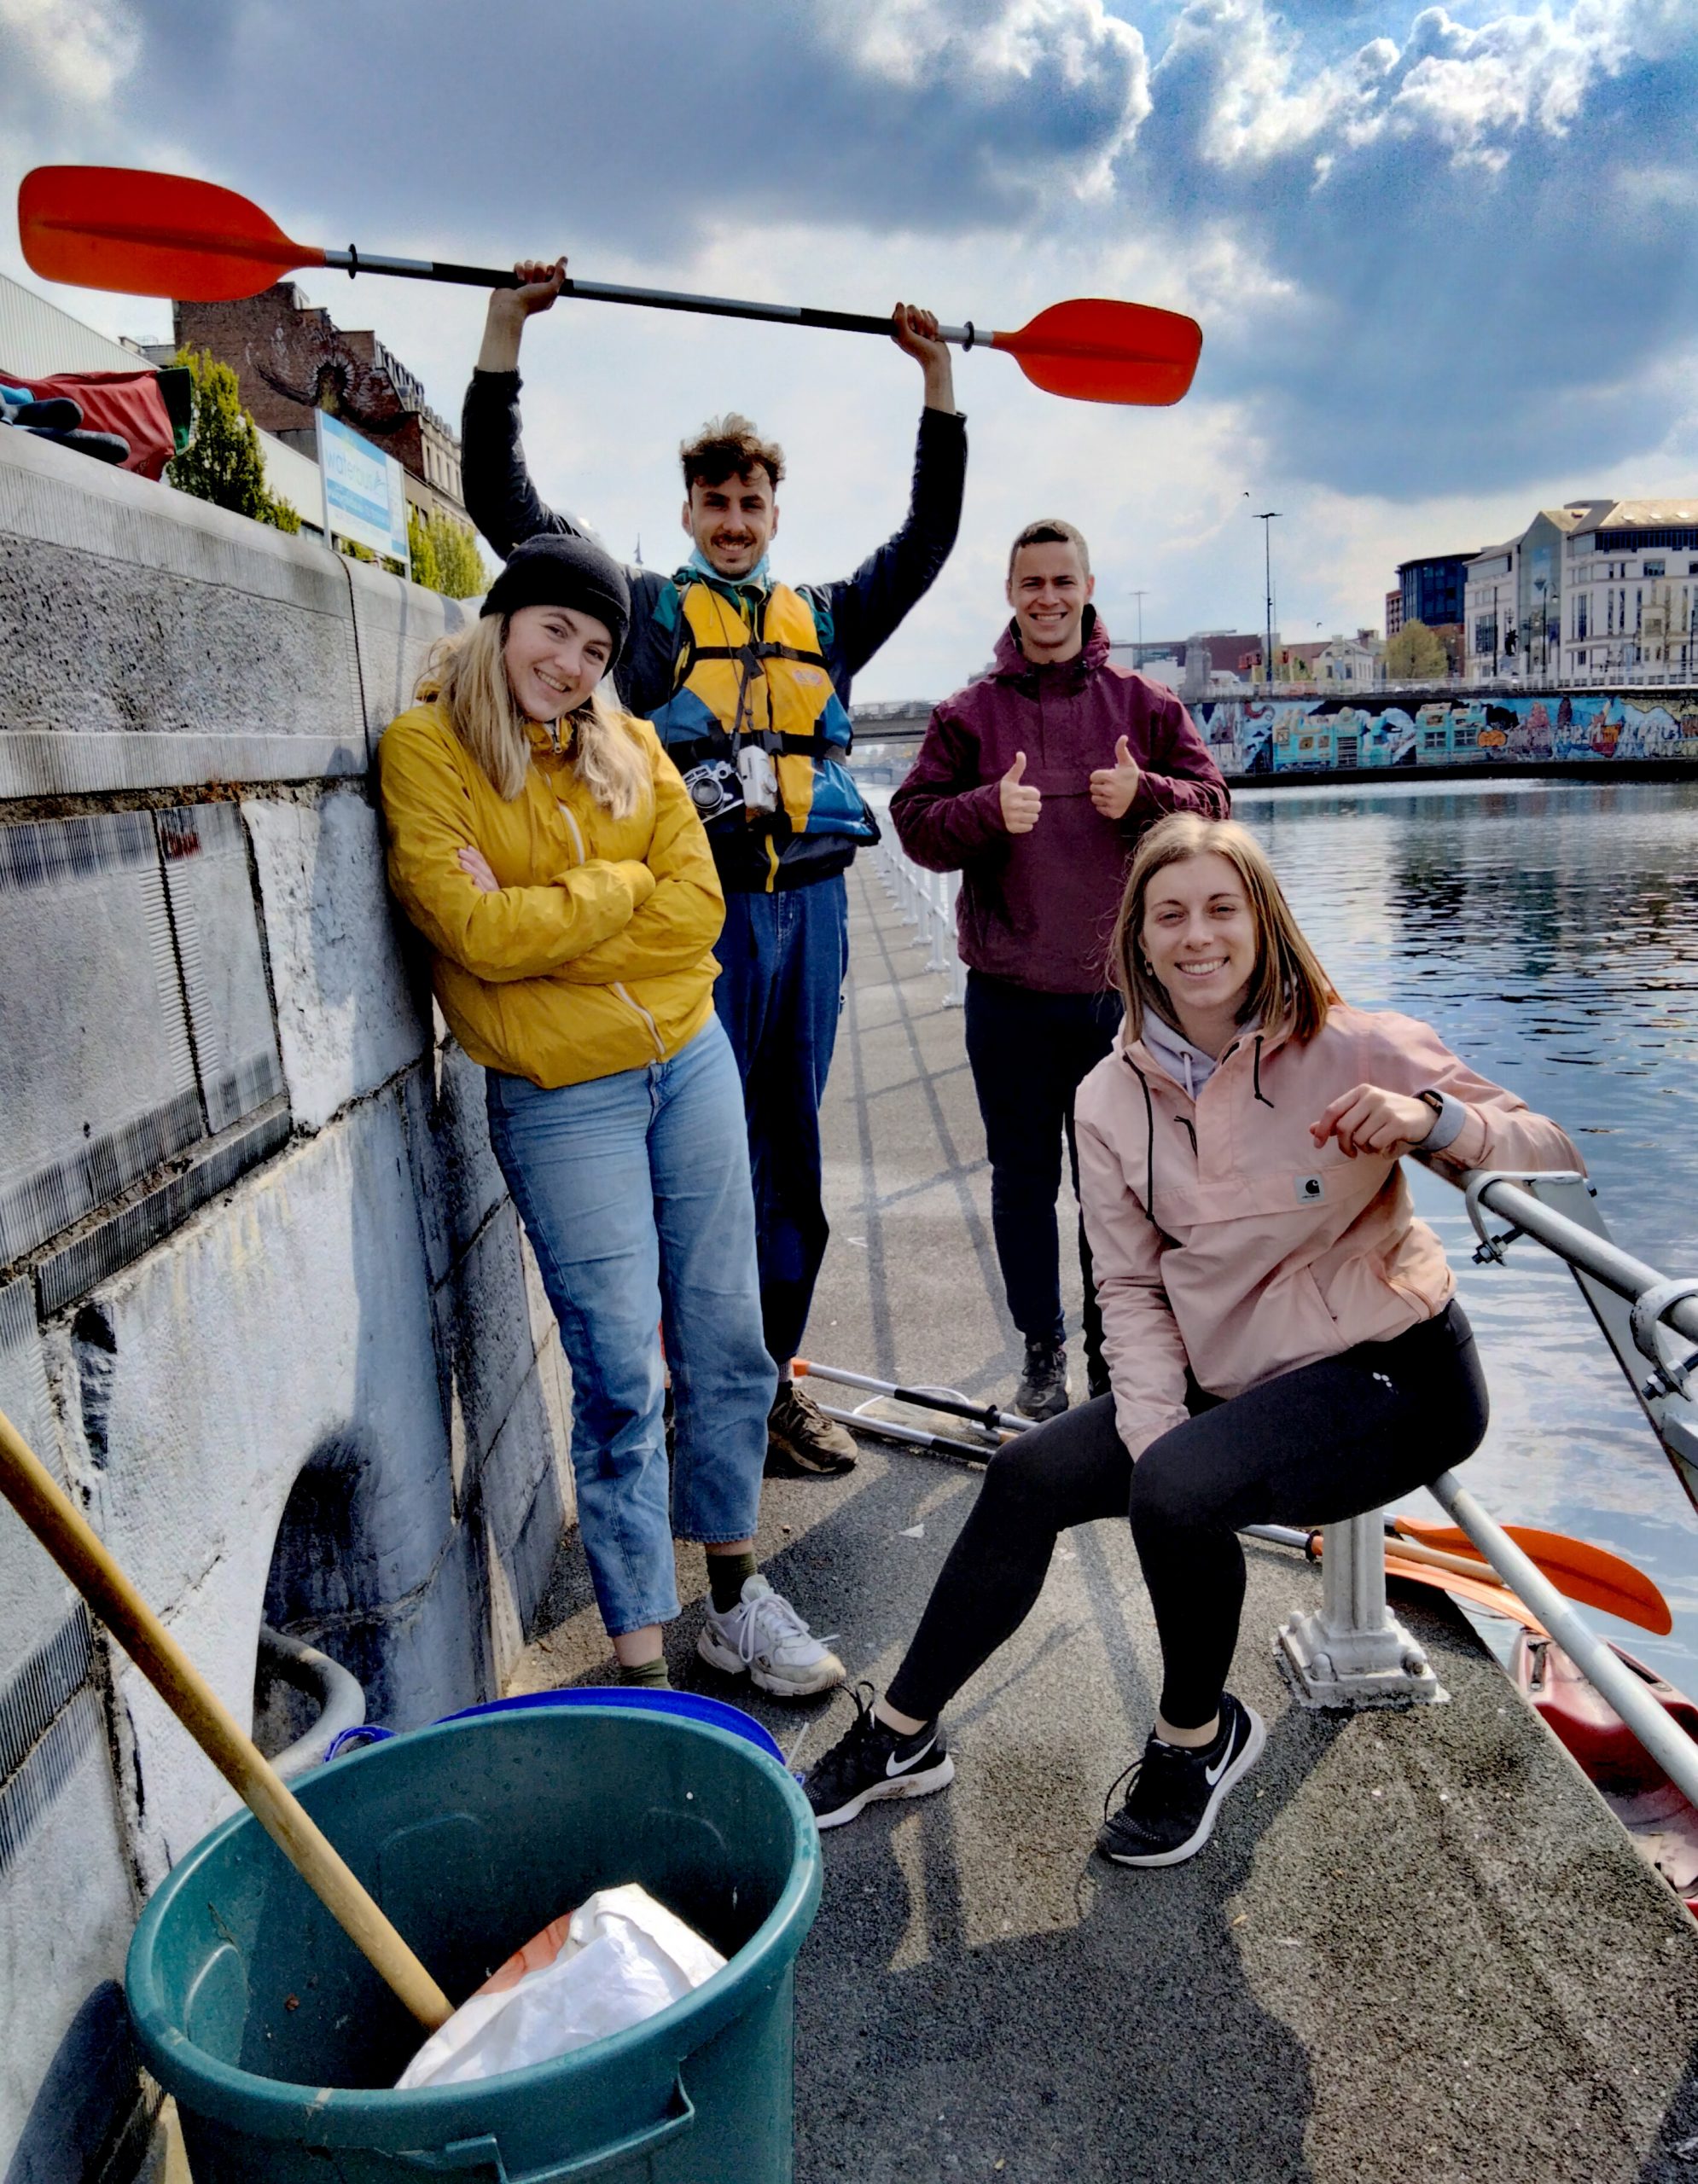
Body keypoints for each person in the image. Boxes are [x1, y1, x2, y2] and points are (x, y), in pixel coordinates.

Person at [802, 811, 1582, 1862]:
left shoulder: (1358, 1044)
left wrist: (1432, 1121)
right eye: (1169, 914)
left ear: (1262, 924)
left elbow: (1550, 1152)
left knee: (1177, 1491)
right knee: (1028, 1473)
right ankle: (900, 1736)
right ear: (1137, 940)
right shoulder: (1109, 1096)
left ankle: (1193, 1739)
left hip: (1392, 1375)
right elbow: (1126, 1283)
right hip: (1233, 1378)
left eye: (1222, 908)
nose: (1196, 935)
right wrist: (1158, 1428)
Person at [462, 259, 968, 1478]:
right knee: (700, 1166)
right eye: (715, 503)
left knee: (790, 1168)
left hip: (812, 916)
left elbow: (931, 536)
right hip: (701, 927)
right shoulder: (639, 615)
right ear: (687, 513)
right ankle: (696, 1388)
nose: (734, 521)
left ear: (774, 516)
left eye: (751, 504)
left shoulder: (830, 621)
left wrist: (938, 384)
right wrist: (501, 337)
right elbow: (506, 506)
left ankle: (765, 1383)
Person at [376, 532, 844, 1699]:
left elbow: (694, 916)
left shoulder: (631, 743)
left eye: (595, 646)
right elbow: (471, 934)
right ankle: (640, 1656)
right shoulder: (428, 750)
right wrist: (620, 889)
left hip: (687, 1062)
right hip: (558, 1097)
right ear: (504, 623)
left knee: (730, 1338)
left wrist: (569, 910)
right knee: (620, 1372)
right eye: (554, 632)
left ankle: (737, 1596)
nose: (574, 664)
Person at [890, 520, 1228, 1420]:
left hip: (1120, 999)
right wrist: (984, 810)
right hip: (1006, 993)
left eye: (1060, 581)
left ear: (1086, 587)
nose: (1046, 598)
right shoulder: (968, 714)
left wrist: (1147, 797)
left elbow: (1217, 805)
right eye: (1029, 583)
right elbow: (916, 822)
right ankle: (1042, 1355)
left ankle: (1123, 1360)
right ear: (1010, 593)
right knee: (1023, 1180)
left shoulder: (1142, 704)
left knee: (1120, 1188)